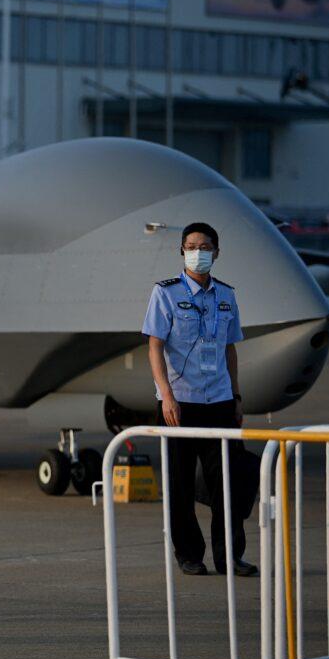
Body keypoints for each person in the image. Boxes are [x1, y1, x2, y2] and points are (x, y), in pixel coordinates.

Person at [143, 222, 257, 578]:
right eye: (191, 246)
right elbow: (155, 347)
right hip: (181, 402)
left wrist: (236, 395)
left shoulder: (227, 295)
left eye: (205, 246)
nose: (198, 252)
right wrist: (166, 396)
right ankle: (189, 554)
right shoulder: (165, 293)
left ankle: (229, 557)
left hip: (220, 400)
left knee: (228, 482)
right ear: (181, 251)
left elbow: (230, 348)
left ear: (216, 252)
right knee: (179, 483)